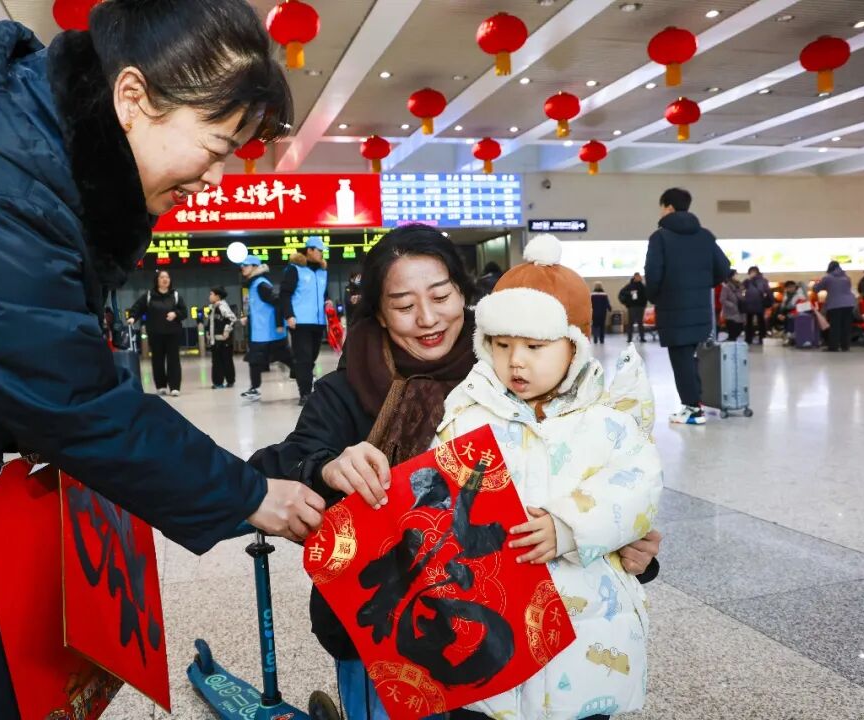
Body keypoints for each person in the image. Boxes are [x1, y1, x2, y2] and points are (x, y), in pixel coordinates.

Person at [0, 4, 327, 716]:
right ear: (133, 99)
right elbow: (75, 403)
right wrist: (246, 494)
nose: (214, 179)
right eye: (215, 147)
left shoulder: (26, 170)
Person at [250, 225, 662, 720]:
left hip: (511, 621)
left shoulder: (515, 371)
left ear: (464, 296)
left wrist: (623, 543)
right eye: (404, 305)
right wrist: (328, 466)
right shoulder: (348, 388)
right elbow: (278, 465)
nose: (427, 318)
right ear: (378, 312)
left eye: (441, 297)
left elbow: (589, 472)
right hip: (396, 622)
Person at [439, 234, 663, 720]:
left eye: (535, 346)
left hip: (585, 627)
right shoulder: (466, 414)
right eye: (501, 345)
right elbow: (441, 497)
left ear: (574, 346)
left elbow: (638, 484)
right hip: (494, 619)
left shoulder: (606, 421)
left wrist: (568, 527)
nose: (515, 360)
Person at [644, 188, 730, 426]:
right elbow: (724, 268)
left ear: (669, 207)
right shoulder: (705, 236)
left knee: (681, 360)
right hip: (700, 310)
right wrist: (703, 284)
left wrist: (655, 297)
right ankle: (695, 404)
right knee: (692, 359)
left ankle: (692, 409)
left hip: (673, 310)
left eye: (662, 207)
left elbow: (653, 274)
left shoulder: (660, 237)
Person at [282, 237, 330, 406]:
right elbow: (285, 294)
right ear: (309, 250)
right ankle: (305, 393)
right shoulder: (295, 269)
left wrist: (328, 301)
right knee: (304, 358)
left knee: (312, 357)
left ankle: (305, 384)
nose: (321, 254)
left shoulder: (323, 271)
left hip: (318, 322)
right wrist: (289, 315)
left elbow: (324, 294)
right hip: (300, 321)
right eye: (319, 250)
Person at [240, 255, 294, 401]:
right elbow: (260, 308)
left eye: (246, 265)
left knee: (287, 358)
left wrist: (279, 324)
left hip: (269, 332)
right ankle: (254, 388)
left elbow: (278, 302)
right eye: (242, 266)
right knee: (255, 361)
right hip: (261, 333)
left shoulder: (261, 285)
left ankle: (306, 377)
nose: (243, 268)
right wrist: (248, 317)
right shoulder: (253, 285)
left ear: (255, 267)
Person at [129, 269, 187, 396]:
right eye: (162, 277)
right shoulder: (149, 295)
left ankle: (175, 387)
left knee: (173, 360)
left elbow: (184, 312)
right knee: (157, 360)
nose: (165, 279)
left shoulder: (175, 295)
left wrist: (175, 314)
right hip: (155, 333)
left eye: (167, 277)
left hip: (173, 333)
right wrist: (133, 317)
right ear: (157, 280)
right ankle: (161, 386)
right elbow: (138, 307)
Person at [815, 260, 858, 352]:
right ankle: (845, 346)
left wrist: (816, 285)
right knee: (846, 325)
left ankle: (833, 347)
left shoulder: (828, 278)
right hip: (849, 304)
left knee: (835, 326)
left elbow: (817, 289)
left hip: (835, 304)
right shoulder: (846, 277)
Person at [207, 286, 238, 388]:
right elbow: (211, 323)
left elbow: (232, 319)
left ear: (218, 296)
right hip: (215, 340)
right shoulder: (213, 308)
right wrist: (208, 333)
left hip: (224, 341)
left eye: (211, 294)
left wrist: (226, 331)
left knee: (226, 361)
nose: (209, 296)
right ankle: (218, 382)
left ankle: (230, 380)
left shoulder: (222, 306)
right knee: (216, 362)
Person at [741, 266, 772, 345]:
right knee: (750, 322)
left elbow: (768, 291)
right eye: (750, 272)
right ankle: (750, 339)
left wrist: (770, 301)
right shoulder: (748, 281)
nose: (751, 274)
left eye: (752, 272)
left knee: (760, 322)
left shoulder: (762, 281)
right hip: (750, 304)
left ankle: (760, 338)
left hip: (758, 304)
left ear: (756, 272)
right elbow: (741, 288)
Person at [618, 272, 648, 342]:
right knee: (631, 323)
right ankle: (629, 338)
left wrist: (644, 304)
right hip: (632, 306)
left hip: (640, 306)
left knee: (640, 323)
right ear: (634, 277)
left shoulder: (642, 286)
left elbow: (646, 295)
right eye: (637, 277)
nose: (639, 278)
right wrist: (630, 293)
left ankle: (642, 337)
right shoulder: (629, 286)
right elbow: (622, 293)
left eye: (639, 277)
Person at [719, 270, 745, 341]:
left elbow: (741, 296)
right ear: (731, 276)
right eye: (736, 274)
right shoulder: (726, 287)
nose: (737, 276)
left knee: (739, 329)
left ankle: (732, 343)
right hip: (730, 313)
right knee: (733, 333)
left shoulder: (740, 286)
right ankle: (731, 345)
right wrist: (732, 305)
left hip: (740, 311)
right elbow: (722, 299)